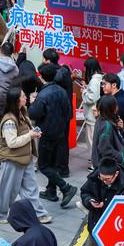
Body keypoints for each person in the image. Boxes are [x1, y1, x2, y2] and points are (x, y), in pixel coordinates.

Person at [0, 86, 52, 224]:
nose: (25, 97)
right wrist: (30, 135)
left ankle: (39, 213)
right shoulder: (9, 120)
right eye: (23, 96)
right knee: (8, 190)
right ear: (16, 100)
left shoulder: (22, 111)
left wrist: (34, 133)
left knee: (31, 188)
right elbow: (12, 142)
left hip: (26, 157)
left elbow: (27, 130)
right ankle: (1, 214)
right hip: (12, 159)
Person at [29, 65, 78, 208]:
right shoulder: (61, 91)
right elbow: (68, 112)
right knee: (52, 163)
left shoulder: (43, 94)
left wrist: (32, 103)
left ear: (41, 77)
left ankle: (66, 187)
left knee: (44, 165)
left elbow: (34, 114)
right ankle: (51, 191)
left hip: (47, 132)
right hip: (60, 131)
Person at [102, 73, 124, 158]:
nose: (103, 86)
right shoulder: (123, 94)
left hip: (119, 141)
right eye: (102, 84)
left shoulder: (116, 101)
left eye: (105, 84)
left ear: (114, 85)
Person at [82, 57, 104, 150]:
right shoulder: (101, 77)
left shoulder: (94, 80)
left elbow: (91, 98)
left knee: (92, 142)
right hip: (99, 112)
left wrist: (84, 91)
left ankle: (94, 158)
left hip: (92, 115)